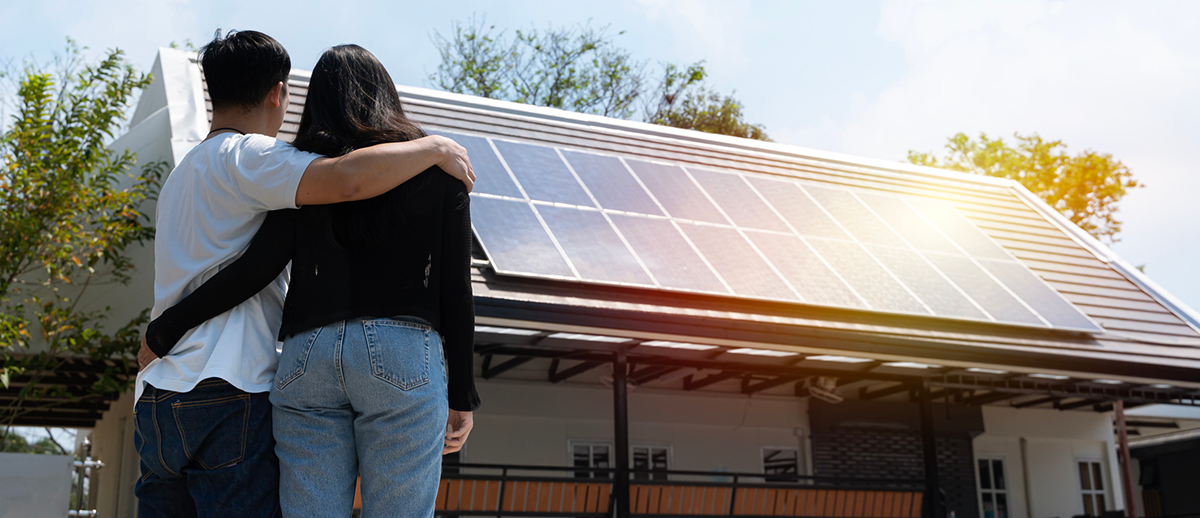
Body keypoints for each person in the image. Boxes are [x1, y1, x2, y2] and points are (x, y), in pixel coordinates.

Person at [134, 31, 475, 517]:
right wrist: (462, 394)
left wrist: (164, 329)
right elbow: (455, 291)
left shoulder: (218, 175)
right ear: (277, 92)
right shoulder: (290, 168)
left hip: (290, 361)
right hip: (385, 357)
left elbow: (257, 266)